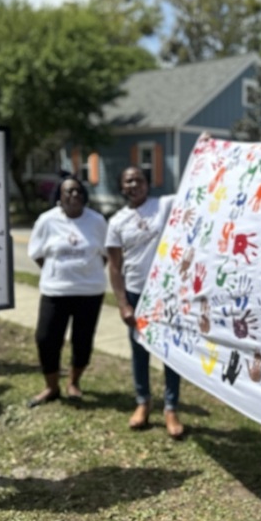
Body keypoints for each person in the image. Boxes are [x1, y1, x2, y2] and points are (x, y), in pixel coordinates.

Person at [106, 166, 183, 439]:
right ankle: (143, 402)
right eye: (128, 181)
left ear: (147, 183)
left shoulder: (163, 206)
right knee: (140, 351)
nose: (134, 184)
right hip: (136, 293)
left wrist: (204, 144)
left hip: (167, 293)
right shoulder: (116, 222)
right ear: (122, 187)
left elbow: (193, 187)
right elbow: (115, 268)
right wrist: (123, 303)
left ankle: (171, 408)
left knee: (170, 353)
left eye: (139, 180)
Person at [27, 177, 108, 407]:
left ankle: (73, 382)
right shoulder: (47, 220)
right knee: (46, 339)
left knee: (82, 341)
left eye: (78, 191)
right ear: (59, 196)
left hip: (89, 292)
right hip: (55, 291)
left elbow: (103, 253)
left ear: (84, 195)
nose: (74, 195)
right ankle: (51, 387)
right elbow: (37, 253)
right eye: (68, 192)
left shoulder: (97, 220)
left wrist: (84, 273)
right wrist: (58, 272)